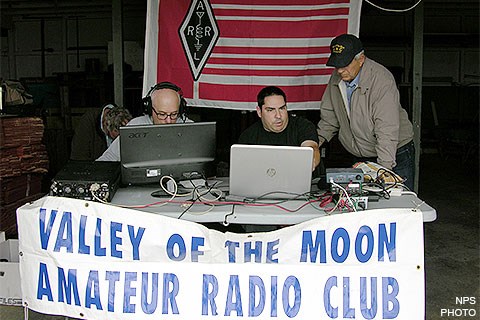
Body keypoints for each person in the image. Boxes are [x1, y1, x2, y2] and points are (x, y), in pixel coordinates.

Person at [317, 34, 415, 190]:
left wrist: (383, 169)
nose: (340, 70)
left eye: (345, 64)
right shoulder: (337, 78)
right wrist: (315, 144)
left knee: (396, 205)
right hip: (361, 154)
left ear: (361, 59)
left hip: (393, 152)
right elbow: (329, 118)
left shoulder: (382, 81)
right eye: (337, 65)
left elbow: (386, 130)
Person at [97, 82, 191, 161]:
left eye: (174, 114)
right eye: (162, 114)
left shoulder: (190, 128)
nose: (169, 120)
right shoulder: (135, 126)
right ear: (150, 109)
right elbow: (108, 158)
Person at [238, 86, 321, 171]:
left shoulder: (302, 126)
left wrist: (311, 160)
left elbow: (312, 147)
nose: (278, 115)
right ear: (259, 112)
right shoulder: (248, 136)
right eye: (271, 110)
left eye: (282, 108)